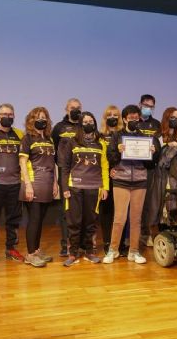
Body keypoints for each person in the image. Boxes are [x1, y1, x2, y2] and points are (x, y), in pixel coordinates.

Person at [103, 105, 160, 264]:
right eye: (131, 118)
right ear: (125, 119)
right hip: (121, 180)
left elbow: (151, 165)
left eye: (137, 118)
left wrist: (152, 154)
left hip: (140, 181)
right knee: (119, 218)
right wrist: (118, 150)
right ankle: (113, 250)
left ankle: (133, 251)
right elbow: (110, 158)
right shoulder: (117, 136)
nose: (134, 120)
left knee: (136, 219)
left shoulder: (145, 138)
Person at [59, 111, 109, 266]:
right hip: (74, 188)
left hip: (94, 188)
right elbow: (65, 167)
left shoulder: (101, 143)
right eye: (85, 122)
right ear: (80, 124)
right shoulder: (72, 142)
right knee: (74, 222)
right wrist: (65, 187)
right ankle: (73, 253)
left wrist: (105, 187)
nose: (89, 124)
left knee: (90, 222)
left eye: (91, 121)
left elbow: (105, 167)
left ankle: (89, 252)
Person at [0, 104, 24, 262]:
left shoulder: (20, 134)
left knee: (13, 219)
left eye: (10, 114)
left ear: (14, 116)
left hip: (14, 184)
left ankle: (11, 249)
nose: (7, 116)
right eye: (4, 114)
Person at [19, 107, 58, 267]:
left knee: (40, 219)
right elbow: (22, 163)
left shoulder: (50, 139)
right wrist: (28, 185)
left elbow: (52, 163)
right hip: (33, 184)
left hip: (48, 184)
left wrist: (55, 183)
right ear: (31, 120)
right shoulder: (27, 139)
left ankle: (36, 250)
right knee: (34, 219)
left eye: (44, 117)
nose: (42, 120)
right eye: (38, 117)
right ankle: (29, 254)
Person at [51, 98, 82, 257]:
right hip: (65, 172)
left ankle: (80, 244)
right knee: (66, 210)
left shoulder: (85, 125)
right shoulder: (59, 127)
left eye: (78, 108)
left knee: (81, 210)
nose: (75, 110)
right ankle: (66, 245)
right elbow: (53, 149)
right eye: (72, 108)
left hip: (83, 172)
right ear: (66, 109)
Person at [145, 107, 177, 229]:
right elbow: (155, 157)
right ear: (166, 118)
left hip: (176, 176)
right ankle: (153, 231)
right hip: (160, 175)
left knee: (173, 203)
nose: (175, 120)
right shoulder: (158, 135)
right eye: (172, 117)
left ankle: (172, 230)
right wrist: (168, 146)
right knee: (158, 204)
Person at [99, 105, 125, 255]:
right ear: (105, 118)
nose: (113, 118)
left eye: (116, 115)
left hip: (120, 176)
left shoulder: (123, 135)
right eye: (109, 115)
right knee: (106, 212)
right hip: (104, 178)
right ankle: (108, 242)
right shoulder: (100, 135)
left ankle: (120, 244)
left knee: (120, 212)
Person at [137, 94, 161, 248]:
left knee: (148, 204)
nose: (148, 108)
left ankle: (147, 234)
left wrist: (155, 150)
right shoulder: (133, 122)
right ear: (140, 105)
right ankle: (135, 234)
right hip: (134, 167)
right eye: (146, 105)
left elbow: (158, 148)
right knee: (136, 203)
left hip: (150, 169)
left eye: (151, 106)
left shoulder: (157, 124)